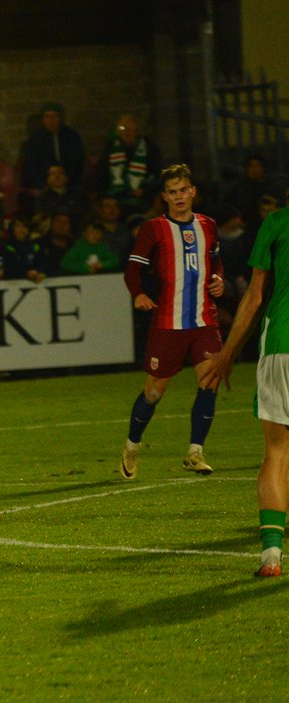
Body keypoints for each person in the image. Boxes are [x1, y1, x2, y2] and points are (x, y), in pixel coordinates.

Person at [119, 164, 226, 480]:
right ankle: (132, 444)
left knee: (210, 381)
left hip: (205, 321)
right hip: (168, 323)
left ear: (193, 192)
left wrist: (218, 278)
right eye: (172, 192)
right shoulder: (154, 228)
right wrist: (138, 293)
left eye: (183, 190)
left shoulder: (208, 225)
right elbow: (132, 269)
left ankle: (195, 452)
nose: (179, 197)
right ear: (164, 197)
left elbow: (215, 261)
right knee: (154, 392)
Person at [200, 203, 289, 576]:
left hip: (281, 345)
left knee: (277, 452)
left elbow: (254, 298)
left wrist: (227, 355)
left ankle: (271, 554)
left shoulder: (276, 223)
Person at [96, 114, 162, 215]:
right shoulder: (110, 148)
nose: (126, 132)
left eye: (130, 129)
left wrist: (144, 189)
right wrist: (105, 195)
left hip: (141, 199)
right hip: (114, 198)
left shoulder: (149, 149)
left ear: (137, 131)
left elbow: (156, 174)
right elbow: (101, 173)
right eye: (123, 128)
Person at [20, 102, 86, 194]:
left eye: (54, 116)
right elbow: (30, 165)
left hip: (69, 185)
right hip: (43, 186)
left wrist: (65, 180)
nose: (51, 120)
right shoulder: (36, 139)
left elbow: (77, 162)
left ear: (60, 118)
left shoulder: (72, 136)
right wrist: (43, 184)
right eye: (47, 117)